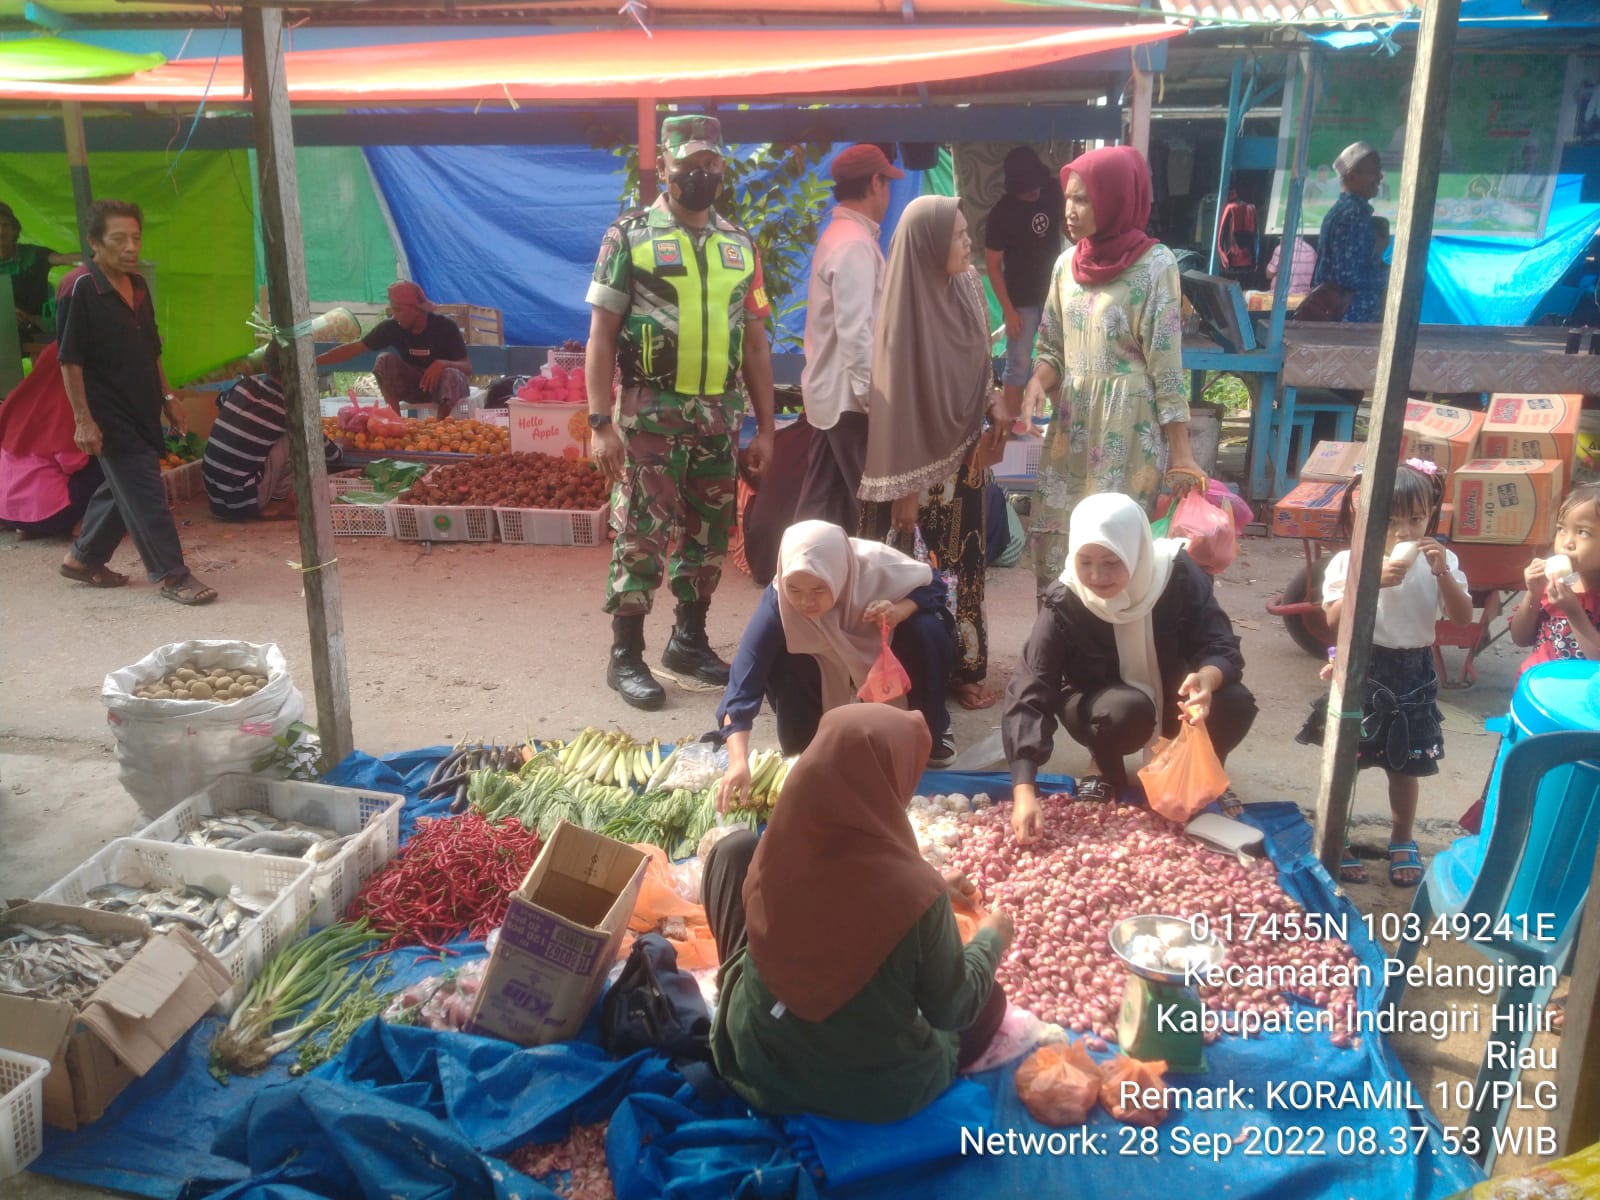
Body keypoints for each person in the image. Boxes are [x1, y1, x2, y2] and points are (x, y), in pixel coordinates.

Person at [704, 704, 1013, 1123]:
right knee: (988, 1000)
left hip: (757, 1057)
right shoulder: (915, 894)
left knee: (732, 851)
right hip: (870, 1089)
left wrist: (932, 887)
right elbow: (951, 1008)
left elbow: (841, 896)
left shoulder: (782, 840)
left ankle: (744, 1000)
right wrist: (993, 937)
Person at [586, 115, 777, 710]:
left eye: (711, 163)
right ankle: (626, 656)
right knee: (642, 535)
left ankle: (687, 642)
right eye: (688, 163)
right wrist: (599, 422)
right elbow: (601, 333)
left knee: (709, 536)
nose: (700, 173)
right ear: (665, 166)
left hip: (719, 420)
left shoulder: (739, 245)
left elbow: (753, 340)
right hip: (650, 416)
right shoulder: (630, 236)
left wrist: (767, 426)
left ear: (723, 167)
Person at [1006, 493, 1256, 840]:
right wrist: (1023, 788)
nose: (1097, 576)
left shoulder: (1178, 574)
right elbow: (1032, 685)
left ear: (1136, 551)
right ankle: (1107, 769)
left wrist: (1208, 678)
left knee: (1234, 703)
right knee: (1121, 712)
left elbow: (1221, 643)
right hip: (1102, 703)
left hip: (1175, 695)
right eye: (1086, 561)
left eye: (1111, 562)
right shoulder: (1065, 598)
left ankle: (1201, 773)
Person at [1023, 146, 1202, 594]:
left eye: (1083, 199)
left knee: (1115, 547)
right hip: (1071, 426)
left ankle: (1118, 654)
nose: (1070, 210)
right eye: (1067, 198)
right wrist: (1035, 385)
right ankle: (1059, 646)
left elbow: (1166, 365)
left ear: (1115, 198)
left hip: (1129, 429)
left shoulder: (1155, 266)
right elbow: (1052, 349)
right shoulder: (1066, 265)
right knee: (1061, 539)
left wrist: (1181, 452)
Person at [859, 195, 1010, 712]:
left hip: (965, 460)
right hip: (914, 474)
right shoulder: (903, 313)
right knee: (912, 571)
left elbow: (982, 366)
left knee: (965, 565)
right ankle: (905, 668)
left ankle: (964, 667)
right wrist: (906, 488)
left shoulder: (968, 288)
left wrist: (995, 403)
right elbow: (895, 408)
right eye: (959, 236)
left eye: (968, 233)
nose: (970, 244)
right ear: (928, 246)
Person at [1295, 461, 1473, 887]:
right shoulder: (1350, 561)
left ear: (1431, 513)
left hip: (1414, 670)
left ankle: (1402, 837)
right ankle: (1339, 836)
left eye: (1415, 519)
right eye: (1391, 521)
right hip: (1363, 666)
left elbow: (1464, 618)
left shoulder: (1442, 558)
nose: (1405, 532)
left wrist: (1441, 572)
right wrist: (1370, 581)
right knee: (1347, 762)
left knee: (1407, 765)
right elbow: (1333, 620)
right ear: (1363, 516)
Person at [714, 521, 959, 806]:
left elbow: (935, 586)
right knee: (799, 741)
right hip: (822, 653)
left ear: (839, 575)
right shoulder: (778, 601)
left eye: (819, 589)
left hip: (881, 634)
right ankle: (815, 728)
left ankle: (930, 724)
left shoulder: (878, 568)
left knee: (926, 630)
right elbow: (744, 682)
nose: (806, 601)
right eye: (795, 588)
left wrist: (900, 611)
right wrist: (738, 761)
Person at [56, 199, 216, 605]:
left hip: (143, 405)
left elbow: (151, 350)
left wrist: (168, 399)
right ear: (94, 242)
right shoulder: (79, 288)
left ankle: (83, 558)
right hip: (106, 412)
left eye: (136, 238)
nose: (131, 247)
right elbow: (69, 361)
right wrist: (83, 420)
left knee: (122, 486)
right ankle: (173, 575)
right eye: (118, 239)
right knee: (144, 491)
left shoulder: (138, 286)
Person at [794, 143, 903, 533]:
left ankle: (791, 582)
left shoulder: (843, 236)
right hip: (850, 402)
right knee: (873, 509)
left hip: (835, 397)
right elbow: (857, 335)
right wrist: (877, 402)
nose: (889, 195)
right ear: (876, 183)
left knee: (820, 507)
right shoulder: (855, 244)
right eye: (887, 184)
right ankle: (860, 583)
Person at [983, 147, 1062, 434]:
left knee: (1061, 358)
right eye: (1026, 190)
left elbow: (1066, 226)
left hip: (1055, 294)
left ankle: (1063, 428)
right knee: (1017, 363)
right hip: (1021, 300)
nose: (1033, 194)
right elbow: (993, 265)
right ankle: (1014, 428)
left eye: (1035, 187)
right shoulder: (1001, 214)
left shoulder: (1052, 191)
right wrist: (1007, 309)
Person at [316, 281, 471, 418]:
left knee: (451, 374)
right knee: (384, 360)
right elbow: (357, 347)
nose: (395, 316)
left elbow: (467, 368)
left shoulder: (445, 326)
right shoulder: (392, 327)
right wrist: (314, 362)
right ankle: (395, 421)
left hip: (447, 391)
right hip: (416, 388)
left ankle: (440, 430)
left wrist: (441, 364)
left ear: (416, 309)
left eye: (398, 310)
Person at [0, 342, 103, 538]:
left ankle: (27, 526)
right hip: (49, 515)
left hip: (7, 512)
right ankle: (82, 524)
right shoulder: (63, 404)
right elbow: (73, 463)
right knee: (108, 460)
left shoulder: (18, 398)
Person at [1510, 483, 1600, 676]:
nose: (1567, 542)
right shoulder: (1556, 584)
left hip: (1579, 699)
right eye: (1561, 529)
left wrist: (1574, 612)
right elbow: (1521, 638)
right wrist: (1532, 595)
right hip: (1536, 689)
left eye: (1582, 532)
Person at [202, 342, 293, 520]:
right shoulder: (289, 409)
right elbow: (329, 453)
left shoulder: (245, 384)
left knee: (273, 435)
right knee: (296, 436)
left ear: (265, 367)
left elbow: (220, 401)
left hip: (214, 497)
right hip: (242, 501)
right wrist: (340, 449)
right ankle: (279, 502)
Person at [1309, 142, 1387, 324]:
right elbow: (1347, 275)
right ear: (1352, 176)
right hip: (1352, 322)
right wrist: (1391, 275)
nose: (1380, 177)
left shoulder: (1342, 210)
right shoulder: (1353, 214)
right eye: (1374, 172)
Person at [1, 201, 76, 345]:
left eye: (5, 225)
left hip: (37, 330)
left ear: (15, 230)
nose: (1, 231)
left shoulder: (32, 254)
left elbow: (64, 259)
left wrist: (99, 258)